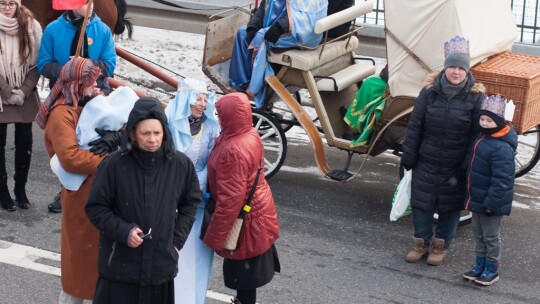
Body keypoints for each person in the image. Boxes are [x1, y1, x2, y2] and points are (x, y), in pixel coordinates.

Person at [85, 96, 201, 304]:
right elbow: (96, 208)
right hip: (120, 267)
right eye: (145, 133)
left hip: (160, 268)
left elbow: (190, 204)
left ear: (164, 131)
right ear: (132, 133)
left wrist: (175, 242)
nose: (152, 139)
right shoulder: (113, 165)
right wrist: (124, 231)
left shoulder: (180, 164)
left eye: (157, 133)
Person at [400, 36, 485, 266]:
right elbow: (415, 125)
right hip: (426, 160)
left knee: (450, 206)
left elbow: (476, 134)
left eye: (460, 68)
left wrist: (468, 163)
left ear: (467, 71)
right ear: (444, 68)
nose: (456, 72)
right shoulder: (429, 92)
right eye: (452, 67)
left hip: (455, 164)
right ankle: (421, 243)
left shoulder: (476, 97)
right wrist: (409, 155)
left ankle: (441, 245)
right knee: (422, 203)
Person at [37, 0, 116, 213]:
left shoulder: (103, 30)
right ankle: (65, 190)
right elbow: (44, 63)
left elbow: (110, 64)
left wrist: (86, 68)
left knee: (92, 145)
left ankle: (95, 192)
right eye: (85, 2)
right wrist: (68, 70)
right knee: (66, 148)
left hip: (95, 95)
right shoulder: (53, 29)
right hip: (64, 96)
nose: (91, 6)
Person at [37, 57, 104, 303]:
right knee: (79, 264)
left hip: (92, 191)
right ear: (77, 84)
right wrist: (109, 159)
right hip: (79, 196)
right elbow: (71, 158)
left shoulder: (78, 107)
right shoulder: (61, 115)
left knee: (90, 262)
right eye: (90, 81)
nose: (95, 86)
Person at [203, 93, 280, 304]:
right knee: (248, 278)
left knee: (244, 279)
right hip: (257, 212)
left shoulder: (233, 150)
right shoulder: (249, 134)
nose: (218, 118)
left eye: (220, 114)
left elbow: (230, 201)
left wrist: (213, 237)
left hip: (244, 221)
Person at [165, 78, 220, 304]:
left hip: (197, 202)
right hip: (169, 200)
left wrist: (196, 184)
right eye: (197, 99)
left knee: (193, 257)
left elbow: (213, 161)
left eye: (205, 99)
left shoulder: (210, 127)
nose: (202, 104)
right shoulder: (170, 123)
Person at [229, 0, 327, 108]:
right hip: (278, 24)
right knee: (243, 33)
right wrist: (254, 24)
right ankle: (241, 83)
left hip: (298, 32)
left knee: (261, 37)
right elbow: (264, 5)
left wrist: (282, 26)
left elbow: (308, 14)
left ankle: (254, 88)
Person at [462, 95, 517, 286]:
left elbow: (502, 180)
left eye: (489, 120)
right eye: (482, 119)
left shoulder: (502, 148)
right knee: (479, 234)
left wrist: (492, 203)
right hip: (478, 198)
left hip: (491, 202)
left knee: (491, 236)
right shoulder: (482, 138)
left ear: (499, 122)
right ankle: (479, 264)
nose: (484, 123)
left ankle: (492, 269)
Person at [0, 0, 42, 211]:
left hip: (24, 92)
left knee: (25, 143)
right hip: (1, 93)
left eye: (11, 3)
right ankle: (2, 191)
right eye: (2, 3)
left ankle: (20, 189)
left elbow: (37, 63)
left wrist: (24, 90)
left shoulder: (31, 26)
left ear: (18, 4)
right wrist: (6, 91)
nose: (7, 8)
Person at [342, 64, 389, 147]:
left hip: (395, 86)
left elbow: (387, 72)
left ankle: (361, 126)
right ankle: (357, 119)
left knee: (370, 84)